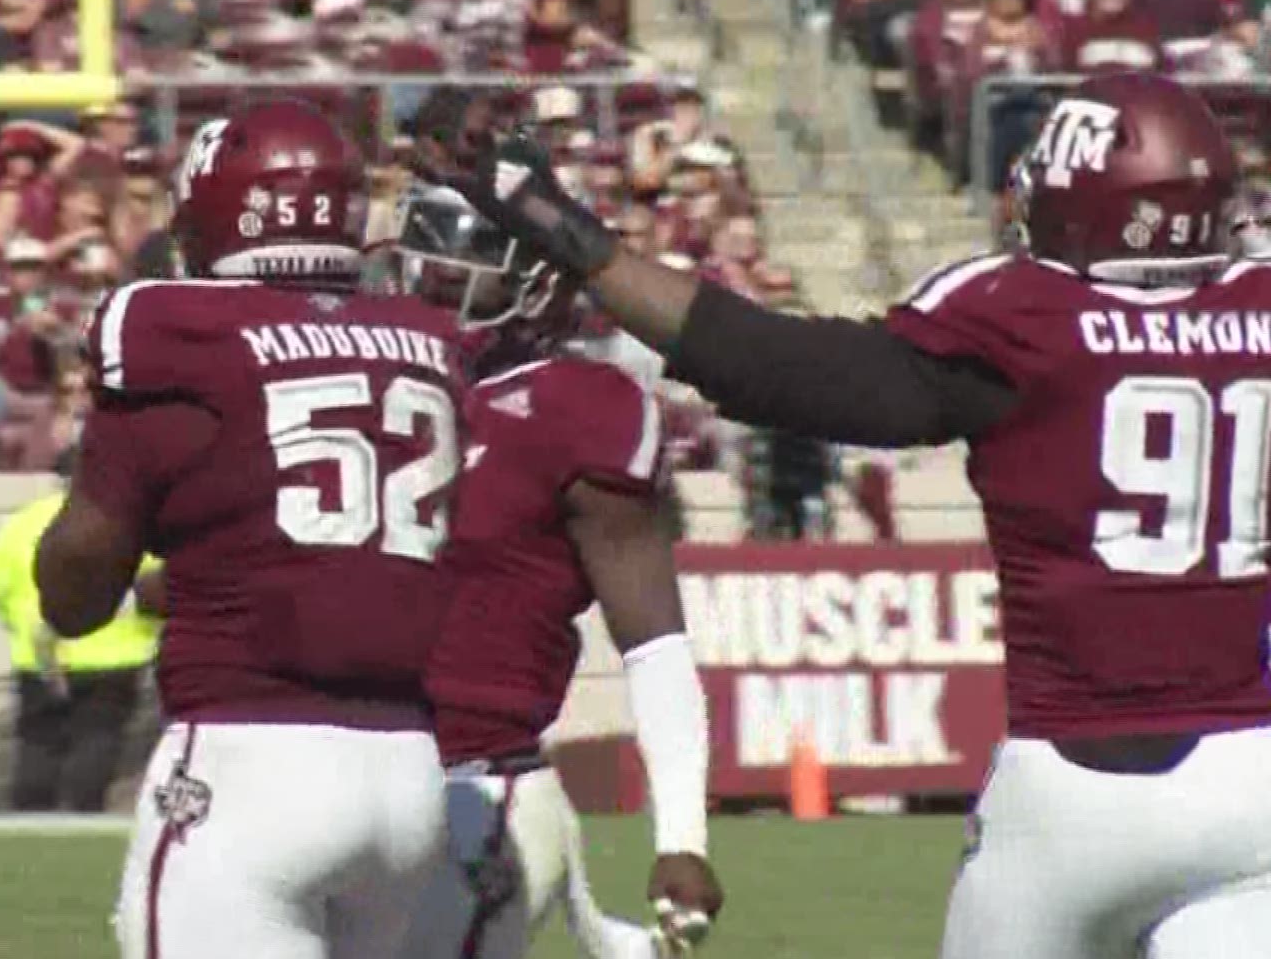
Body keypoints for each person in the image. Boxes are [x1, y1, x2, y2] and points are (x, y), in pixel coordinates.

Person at [419, 73, 1271, 959]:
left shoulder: (1025, 317)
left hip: (1072, 787)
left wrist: (574, 237)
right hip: (1254, 779)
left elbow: (776, 366)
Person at [33, 99, 464, 957]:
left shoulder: (176, 331)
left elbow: (75, 594)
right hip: (411, 777)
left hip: (251, 762)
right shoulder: (428, 339)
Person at [390, 185, 722, 959]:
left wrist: (683, 835)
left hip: (477, 794)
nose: (437, 284)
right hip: (347, 776)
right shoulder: (363, 377)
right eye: (427, 264)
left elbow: (656, 644)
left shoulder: (574, 408)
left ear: (544, 284)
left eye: (468, 267)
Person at [0, 480, 161, 812]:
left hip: (40, 655)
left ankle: (29, 815)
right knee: (98, 740)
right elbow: (153, 590)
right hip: (115, 655)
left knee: (37, 742)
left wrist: (22, 627)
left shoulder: (24, 521)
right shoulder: (128, 523)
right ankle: (83, 811)